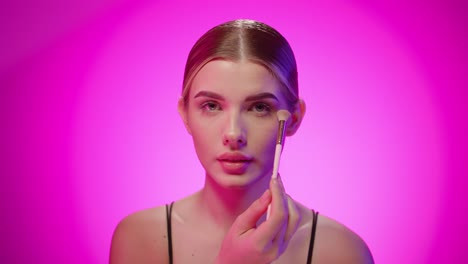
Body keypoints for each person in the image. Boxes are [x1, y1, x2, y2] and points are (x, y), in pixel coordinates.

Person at [110, 19, 374, 263]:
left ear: (293, 118)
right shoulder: (139, 238)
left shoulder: (342, 251)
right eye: (212, 105)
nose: (234, 133)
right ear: (185, 114)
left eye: (259, 107)